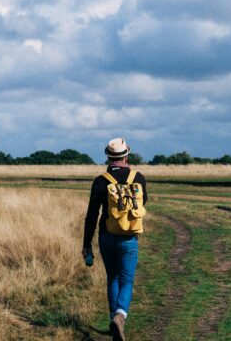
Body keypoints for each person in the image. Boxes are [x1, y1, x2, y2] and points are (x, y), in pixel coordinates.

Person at [83, 137, 149, 341]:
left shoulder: (101, 181)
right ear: (126, 155)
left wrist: (86, 245)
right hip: (129, 237)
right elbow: (142, 202)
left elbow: (92, 215)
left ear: (108, 157)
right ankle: (120, 316)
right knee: (126, 280)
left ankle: (114, 323)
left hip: (106, 236)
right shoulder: (138, 178)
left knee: (112, 277)